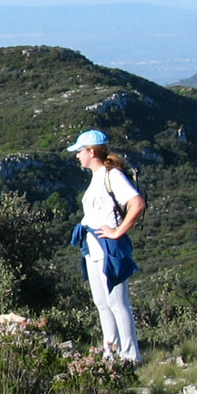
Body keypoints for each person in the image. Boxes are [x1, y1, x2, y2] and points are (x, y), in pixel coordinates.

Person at [67, 129, 146, 364]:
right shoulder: (97, 177)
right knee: (102, 303)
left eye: (80, 151)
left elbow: (137, 204)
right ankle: (110, 353)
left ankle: (130, 356)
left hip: (109, 247)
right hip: (93, 248)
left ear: (91, 152)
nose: (77, 155)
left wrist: (118, 231)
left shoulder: (113, 176)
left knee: (117, 303)